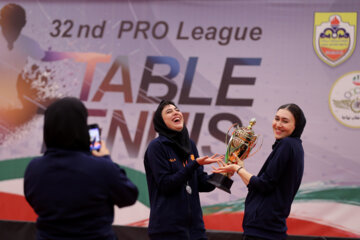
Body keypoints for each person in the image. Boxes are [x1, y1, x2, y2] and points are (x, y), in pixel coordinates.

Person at [24, 97, 139, 240]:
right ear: (81, 126)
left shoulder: (34, 168)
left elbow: (33, 199)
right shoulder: (101, 168)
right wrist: (105, 159)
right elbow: (128, 196)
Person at [213, 103, 306, 240]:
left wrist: (236, 168)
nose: (278, 124)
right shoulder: (294, 146)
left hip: (263, 230)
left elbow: (265, 184)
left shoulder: (287, 145)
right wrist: (241, 170)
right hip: (267, 228)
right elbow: (260, 187)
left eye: (285, 121)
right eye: (277, 119)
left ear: (296, 126)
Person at [144, 100, 224, 240]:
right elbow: (165, 185)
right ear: (161, 122)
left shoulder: (190, 145)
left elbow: (202, 184)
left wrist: (225, 174)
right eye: (169, 111)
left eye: (177, 109)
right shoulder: (156, 147)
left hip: (195, 231)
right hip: (168, 232)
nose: (176, 112)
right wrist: (193, 165)